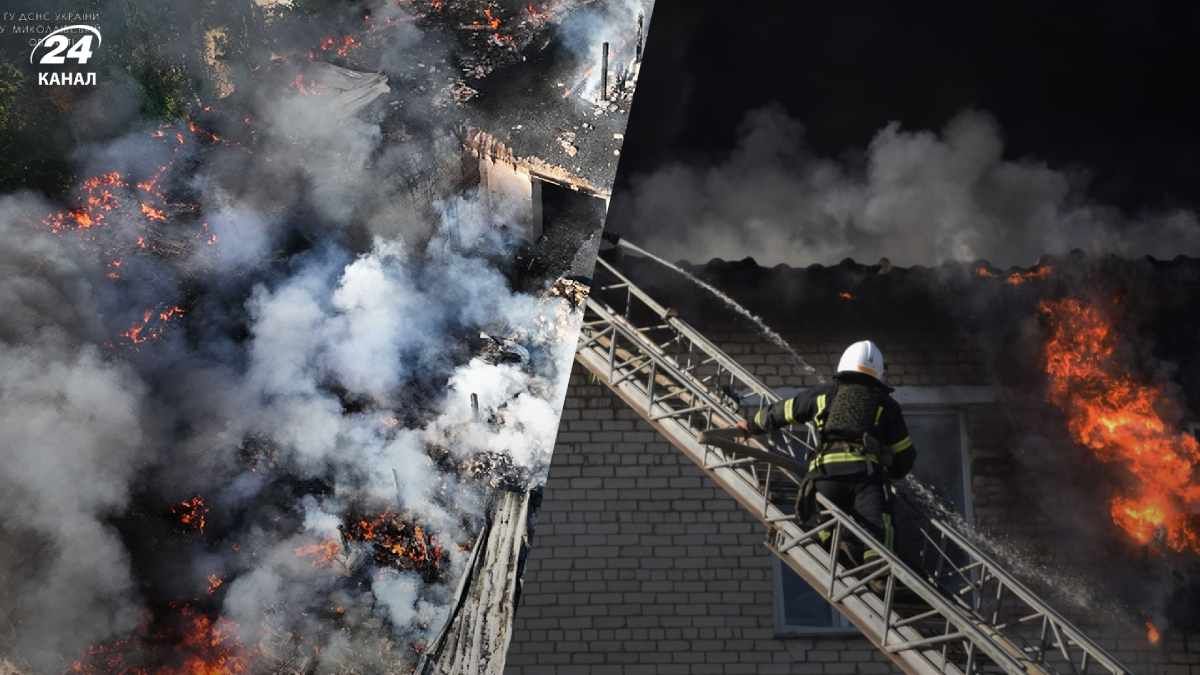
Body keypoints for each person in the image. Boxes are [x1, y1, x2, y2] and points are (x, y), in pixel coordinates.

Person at [739, 340, 916, 566]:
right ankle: (879, 572)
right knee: (878, 530)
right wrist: (891, 466)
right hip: (865, 479)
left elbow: (784, 411)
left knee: (824, 524)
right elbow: (904, 456)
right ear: (879, 374)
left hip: (825, 477)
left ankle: (835, 547)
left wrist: (752, 426)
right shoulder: (886, 405)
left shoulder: (825, 395)